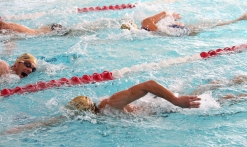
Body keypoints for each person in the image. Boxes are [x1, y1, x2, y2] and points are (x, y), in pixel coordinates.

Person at [3, 80, 201, 134]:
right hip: (156, 110)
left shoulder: (111, 105)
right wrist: (16, 131)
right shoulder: (95, 112)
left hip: (163, 108)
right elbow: (52, 122)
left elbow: (149, 85)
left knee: (219, 99)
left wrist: (175, 101)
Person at [121, 11, 247, 36]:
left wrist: (170, 16)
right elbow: (164, 12)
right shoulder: (147, 24)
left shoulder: (147, 28)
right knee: (210, 26)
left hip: (175, 31)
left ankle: (238, 20)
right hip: (175, 30)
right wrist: (169, 15)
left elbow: (164, 14)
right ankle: (238, 20)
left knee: (209, 27)